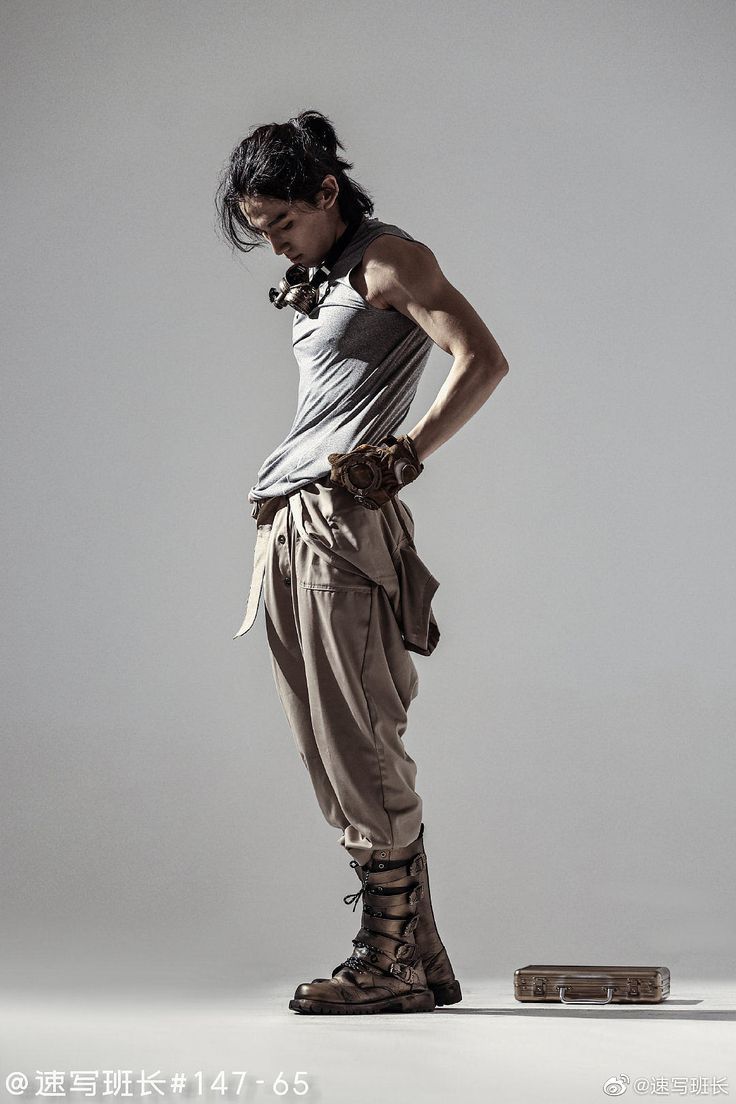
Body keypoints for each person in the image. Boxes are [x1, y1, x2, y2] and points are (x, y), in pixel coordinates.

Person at [215, 109, 509, 1015]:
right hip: (291, 521)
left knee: (358, 739)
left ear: (327, 193)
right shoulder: (325, 272)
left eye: (282, 223)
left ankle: (386, 964)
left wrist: (410, 450)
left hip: (341, 527)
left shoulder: (388, 260)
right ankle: (422, 956)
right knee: (323, 741)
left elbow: (482, 358)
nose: (272, 244)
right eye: (258, 229)